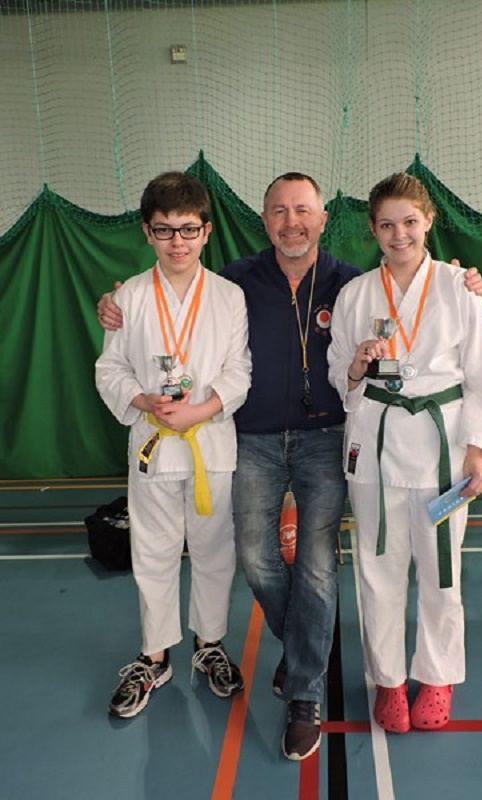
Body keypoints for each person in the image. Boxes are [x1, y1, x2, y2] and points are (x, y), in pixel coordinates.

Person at [97, 172, 482, 758]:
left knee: (320, 568)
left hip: (329, 440)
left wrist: (469, 284)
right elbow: (179, 293)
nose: (291, 221)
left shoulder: (350, 283)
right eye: (279, 211)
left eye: (303, 210)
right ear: (264, 220)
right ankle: (308, 645)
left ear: (323, 219)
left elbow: (456, 357)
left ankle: (306, 689)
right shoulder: (236, 282)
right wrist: (116, 301)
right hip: (253, 438)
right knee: (255, 557)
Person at [327, 172, 482, 735]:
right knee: (378, 572)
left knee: (441, 570)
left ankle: (439, 675)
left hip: (443, 451)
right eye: (386, 224)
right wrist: (355, 363)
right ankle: (390, 681)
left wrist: (477, 451)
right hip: (374, 449)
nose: (398, 234)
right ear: (372, 229)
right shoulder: (355, 294)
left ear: (428, 221)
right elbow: (339, 376)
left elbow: (481, 379)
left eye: (409, 222)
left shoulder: (457, 289)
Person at [95, 172, 251, 719]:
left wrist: (201, 409)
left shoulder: (229, 297)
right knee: (154, 552)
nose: (177, 242)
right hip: (154, 443)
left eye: (188, 230)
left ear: (206, 231)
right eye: (164, 231)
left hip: (210, 443)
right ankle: (154, 655)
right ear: (147, 233)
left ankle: (209, 645)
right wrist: (142, 401)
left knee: (214, 551)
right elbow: (109, 368)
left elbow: (239, 371)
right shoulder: (128, 298)